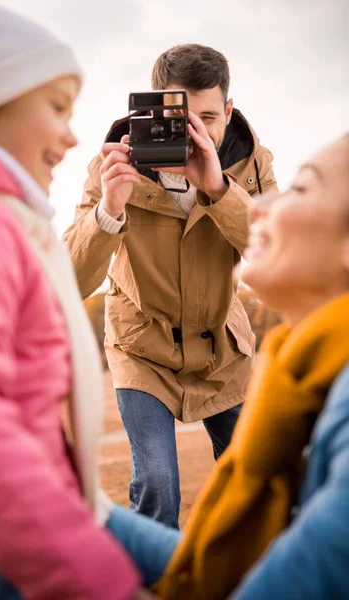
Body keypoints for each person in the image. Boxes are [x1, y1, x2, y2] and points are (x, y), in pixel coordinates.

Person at [0, 1, 152, 599]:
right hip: (13, 540)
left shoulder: (4, 215)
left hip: (69, 500)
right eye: (58, 108)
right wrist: (97, 581)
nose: (71, 135)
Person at [105, 134, 349, 600]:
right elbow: (210, 566)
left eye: (300, 189)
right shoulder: (306, 371)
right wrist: (76, 509)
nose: (257, 207)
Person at [64, 43, 278, 528]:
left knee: (254, 478)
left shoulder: (252, 165)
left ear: (228, 109)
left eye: (209, 116)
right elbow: (71, 278)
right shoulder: (111, 167)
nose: (197, 130)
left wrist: (220, 191)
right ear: (154, 109)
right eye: (183, 115)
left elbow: (277, 253)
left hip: (223, 347)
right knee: (157, 484)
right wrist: (108, 213)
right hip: (142, 346)